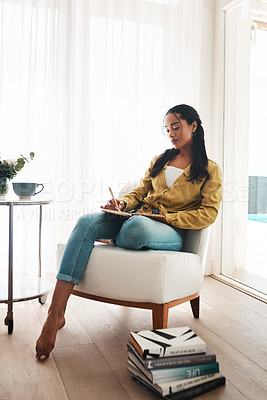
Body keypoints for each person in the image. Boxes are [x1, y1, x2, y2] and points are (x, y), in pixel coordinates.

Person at [35, 104, 222, 361]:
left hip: (170, 230)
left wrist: (167, 217)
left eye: (176, 126)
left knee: (135, 228)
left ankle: (110, 238)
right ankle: (55, 314)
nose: (171, 133)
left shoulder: (210, 169)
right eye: (167, 129)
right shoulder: (160, 160)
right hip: (136, 217)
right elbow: (140, 193)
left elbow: (208, 213)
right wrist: (122, 205)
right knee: (86, 222)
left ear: (194, 126)